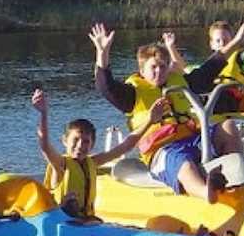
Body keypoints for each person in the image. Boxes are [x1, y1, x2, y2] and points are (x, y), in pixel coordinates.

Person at [90, 21, 244, 204]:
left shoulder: (180, 81)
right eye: (153, 67)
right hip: (162, 150)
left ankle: (240, 183)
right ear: (142, 71)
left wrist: (236, 42)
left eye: (163, 66)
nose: (159, 71)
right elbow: (106, 87)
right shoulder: (132, 94)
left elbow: (210, 68)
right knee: (184, 163)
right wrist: (102, 54)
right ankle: (207, 193)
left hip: (192, 139)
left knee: (227, 126)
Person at [31, 89, 164, 220]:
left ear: (92, 145)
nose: (80, 146)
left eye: (86, 142)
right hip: (63, 224)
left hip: (87, 222)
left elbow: (126, 146)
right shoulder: (60, 165)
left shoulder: (92, 162)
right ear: (65, 141)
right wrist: (43, 113)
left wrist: (150, 121)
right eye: (75, 140)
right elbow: (45, 145)